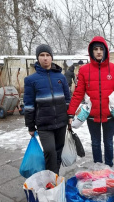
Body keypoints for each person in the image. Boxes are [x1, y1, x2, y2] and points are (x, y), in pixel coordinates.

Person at [67, 36, 114, 167]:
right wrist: (70, 113)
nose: (98, 52)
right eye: (95, 49)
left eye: (101, 49)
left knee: (108, 142)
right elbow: (78, 93)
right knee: (95, 143)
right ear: (91, 51)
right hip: (92, 116)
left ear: (105, 51)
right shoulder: (84, 70)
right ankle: (98, 167)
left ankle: (108, 167)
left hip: (110, 115)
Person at [23, 44, 71, 175]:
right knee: (50, 150)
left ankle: (54, 176)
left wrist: (70, 117)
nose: (45, 58)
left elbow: (68, 99)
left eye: (48, 55)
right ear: (37, 58)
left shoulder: (61, 78)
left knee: (59, 150)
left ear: (52, 57)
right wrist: (30, 126)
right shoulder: (30, 80)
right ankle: (52, 178)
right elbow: (28, 105)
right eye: (42, 55)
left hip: (61, 122)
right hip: (44, 124)